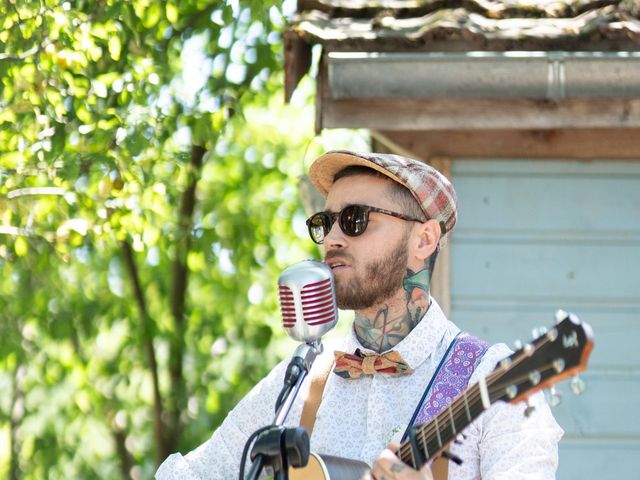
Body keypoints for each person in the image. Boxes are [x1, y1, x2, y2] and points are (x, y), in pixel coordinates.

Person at [156, 150, 563, 480]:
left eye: (355, 220)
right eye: (325, 221)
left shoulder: (492, 380)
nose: (332, 238)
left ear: (423, 239)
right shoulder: (299, 382)